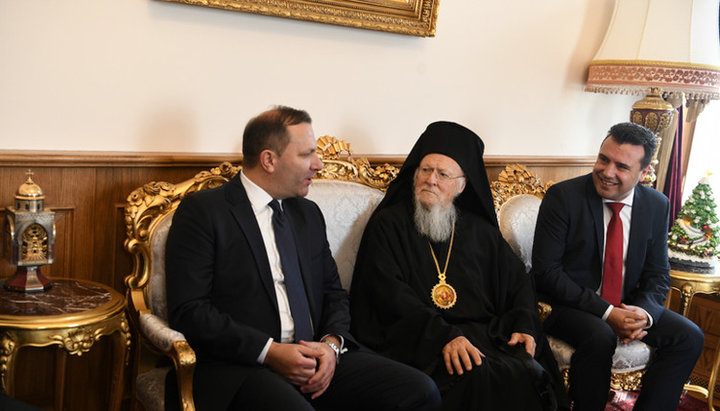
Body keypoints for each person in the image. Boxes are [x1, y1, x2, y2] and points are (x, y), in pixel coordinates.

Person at [164, 106, 441, 411]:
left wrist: (331, 347)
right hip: (243, 367)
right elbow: (190, 311)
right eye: (307, 154)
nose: (318, 164)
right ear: (269, 160)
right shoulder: (204, 212)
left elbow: (334, 293)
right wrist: (270, 352)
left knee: (419, 391)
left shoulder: (307, 213)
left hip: (315, 357)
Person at [350, 121, 568, 411]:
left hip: (482, 334)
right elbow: (388, 294)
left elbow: (518, 282)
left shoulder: (480, 231)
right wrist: (442, 337)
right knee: (474, 374)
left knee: (529, 372)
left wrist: (525, 324)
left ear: (462, 185)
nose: (431, 180)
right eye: (425, 170)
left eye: (443, 174)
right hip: (417, 338)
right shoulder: (388, 225)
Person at [532, 122, 704, 411]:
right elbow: (546, 273)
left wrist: (643, 315)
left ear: (644, 172)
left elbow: (658, 274)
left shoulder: (657, 205)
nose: (607, 171)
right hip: (568, 306)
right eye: (603, 159)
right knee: (601, 335)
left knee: (689, 336)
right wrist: (609, 313)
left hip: (626, 304)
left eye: (621, 166)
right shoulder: (564, 197)